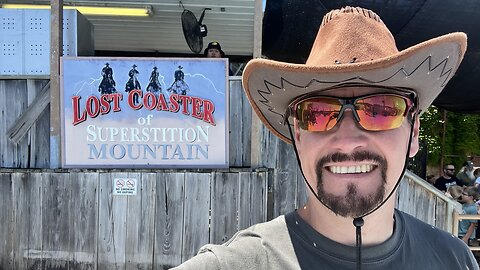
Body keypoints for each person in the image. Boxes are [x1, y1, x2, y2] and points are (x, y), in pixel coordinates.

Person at [173, 6, 476, 269]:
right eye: (316, 112)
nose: (347, 141)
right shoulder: (232, 265)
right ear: (298, 136)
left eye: (381, 109)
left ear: (414, 134)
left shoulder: (455, 260)